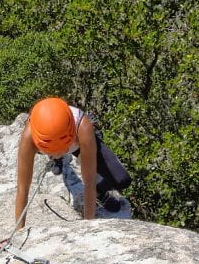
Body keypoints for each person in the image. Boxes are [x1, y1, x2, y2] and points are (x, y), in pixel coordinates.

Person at [15, 97, 131, 229]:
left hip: (77, 139)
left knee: (122, 180)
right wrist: (19, 231)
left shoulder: (83, 127)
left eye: (63, 150)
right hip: (54, 140)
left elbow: (89, 182)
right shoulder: (29, 137)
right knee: (54, 150)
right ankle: (57, 159)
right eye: (53, 152)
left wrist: (88, 226)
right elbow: (23, 188)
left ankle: (100, 191)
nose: (59, 152)